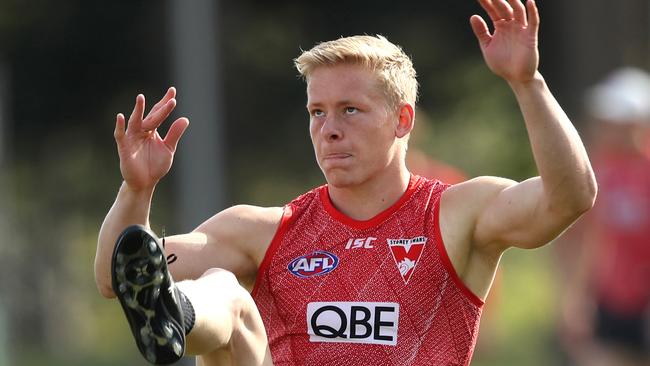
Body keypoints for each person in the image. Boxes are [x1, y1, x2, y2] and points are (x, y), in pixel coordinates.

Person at [94, 0, 597, 365]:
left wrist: (527, 83)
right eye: (317, 111)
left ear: (402, 120)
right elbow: (116, 275)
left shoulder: (455, 212)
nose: (329, 128)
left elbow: (570, 198)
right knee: (223, 289)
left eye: (350, 110)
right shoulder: (265, 230)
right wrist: (136, 190)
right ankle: (171, 313)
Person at [557, 67, 650, 366]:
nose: (606, 127)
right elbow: (575, 238)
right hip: (608, 300)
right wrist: (574, 300)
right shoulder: (596, 170)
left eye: (617, 121)